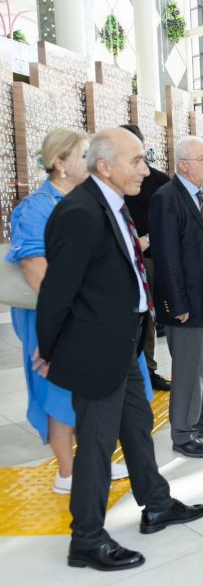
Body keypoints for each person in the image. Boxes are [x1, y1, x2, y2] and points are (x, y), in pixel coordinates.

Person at [35, 127, 203, 572]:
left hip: (124, 342)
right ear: (105, 166)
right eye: (136, 161)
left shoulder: (112, 203)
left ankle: (156, 503)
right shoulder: (80, 212)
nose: (145, 170)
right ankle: (87, 539)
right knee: (96, 445)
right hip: (95, 348)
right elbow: (57, 291)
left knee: (136, 425)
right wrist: (49, 349)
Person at [5, 128, 131, 494]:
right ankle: (67, 471)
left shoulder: (91, 199)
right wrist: (70, 318)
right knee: (59, 391)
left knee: (95, 387)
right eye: (84, 155)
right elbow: (35, 269)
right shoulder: (35, 208)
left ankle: (96, 458)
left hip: (91, 316)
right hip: (54, 314)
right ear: (60, 162)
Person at [150, 136, 203, 458]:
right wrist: (177, 304)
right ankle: (183, 433)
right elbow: (166, 257)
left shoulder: (202, 194)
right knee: (189, 369)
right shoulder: (166, 198)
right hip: (188, 299)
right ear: (183, 164)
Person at [120, 124, 171, 392]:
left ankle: (148, 370)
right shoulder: (114, 182)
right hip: (126, 258)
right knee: (140, 317)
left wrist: (149, 239)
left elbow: (171, 219)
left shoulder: (159, 180)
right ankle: (143, 370)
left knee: (155, 315)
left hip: (155, 257)